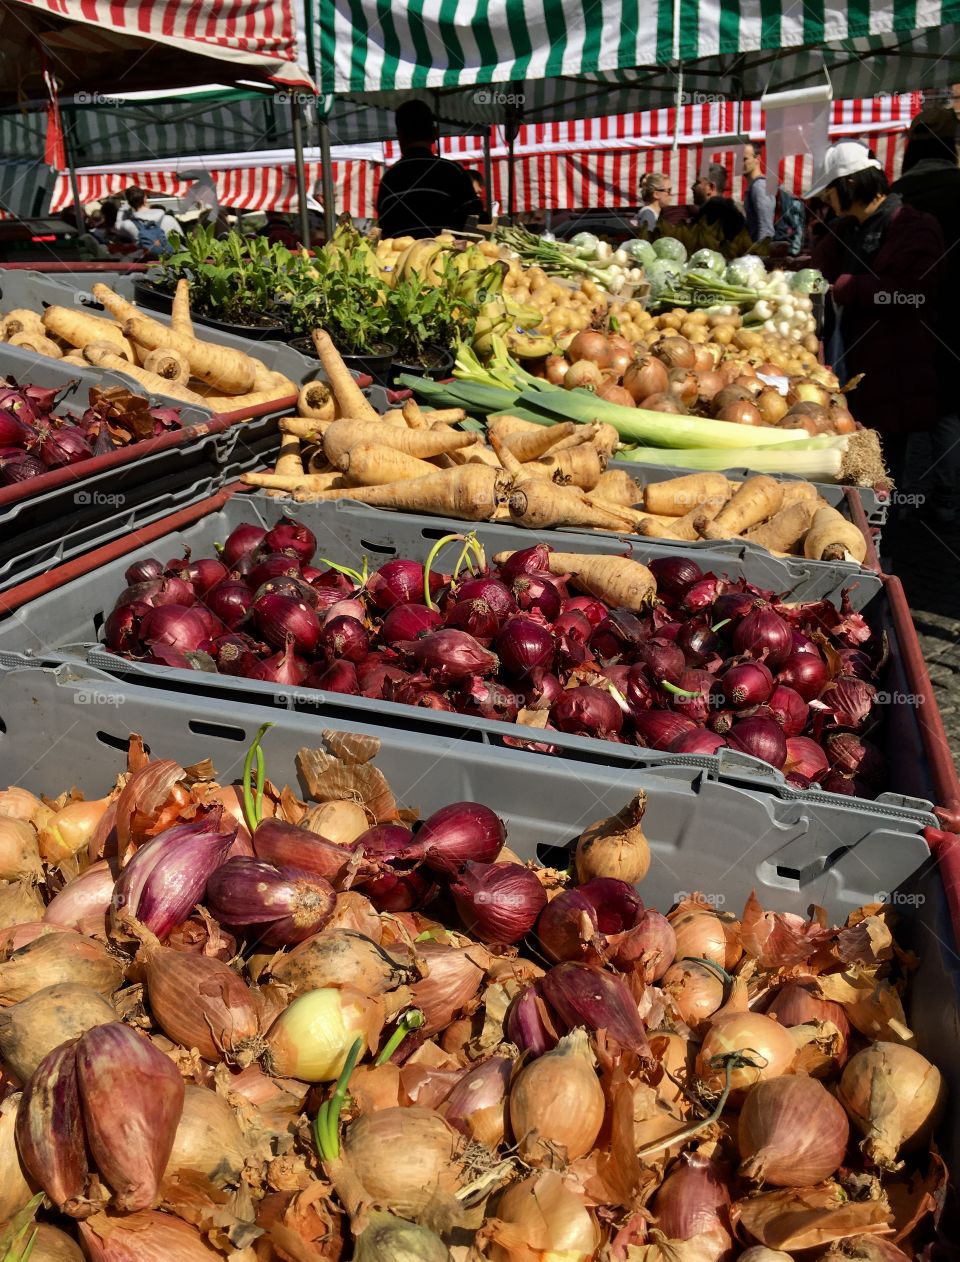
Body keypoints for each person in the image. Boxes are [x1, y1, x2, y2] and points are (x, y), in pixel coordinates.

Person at [808, 140, 944, 490]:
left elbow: (915, 293)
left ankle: (888, 526)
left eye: (830, 190)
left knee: (885, 459)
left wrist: (848, 287)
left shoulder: (914, 225)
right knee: (854, 448)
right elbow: (820, 267)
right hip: (853, 363)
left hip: (895, 365)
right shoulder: (846, 227)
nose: (825, 199)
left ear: (850, 184)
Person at [892, 106, 960, 522]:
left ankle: (895, 501)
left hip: (907, 317)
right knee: (950, 408)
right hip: (955, 315)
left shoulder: (902, 193)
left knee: (903, 406)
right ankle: (948, 497)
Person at [376, 100, 483, 239]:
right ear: (435, 133)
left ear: (399, 136)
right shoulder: (453, 172)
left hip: (395, 260)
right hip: (450, 258)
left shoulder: (388, 179)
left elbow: (384, 231)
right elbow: (477, 220)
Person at [117, 186, 181, 256]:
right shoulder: (169, 219)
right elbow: (182, 241)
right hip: (169, 261)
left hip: (146, 263)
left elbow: (117, 226)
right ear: (145, 199)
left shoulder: (127, 225)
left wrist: (123, 208)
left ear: (129, 203)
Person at [691, 163, 747, 241]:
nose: (693, 187)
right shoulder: (736, 211)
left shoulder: (709, 211)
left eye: (697, 183)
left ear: (711, 187)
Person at [742, 143, 775, 242]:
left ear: (758, 159)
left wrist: (761, 254)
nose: (740, 163)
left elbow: (766, 228)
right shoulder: (754, 186)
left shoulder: (759, 186)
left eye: (745, 159)